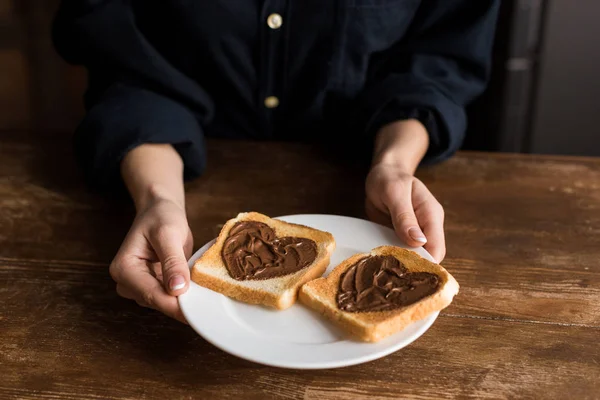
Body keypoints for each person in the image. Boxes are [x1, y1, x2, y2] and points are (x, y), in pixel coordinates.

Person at [53, 1, 499, 323]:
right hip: (179, 161)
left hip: (361, 152)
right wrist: (157, 198)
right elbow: (126, 68)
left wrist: (395, 164)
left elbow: (438, 59)